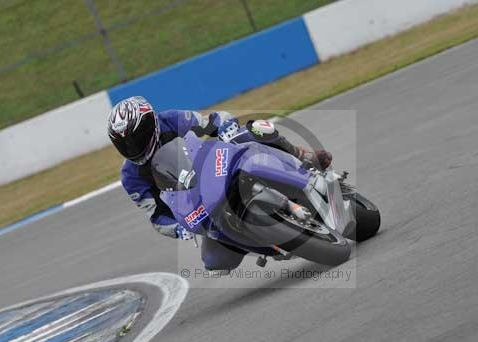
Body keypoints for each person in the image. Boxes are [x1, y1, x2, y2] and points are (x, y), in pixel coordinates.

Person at [107, 96, 331, 271]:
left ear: (151, 122)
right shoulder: (130, 176)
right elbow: (156, 215)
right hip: (197, 202)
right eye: (125, 143)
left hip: (214, 165)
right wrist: (177, 229)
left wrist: (225, 126)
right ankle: (264, 243)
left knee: (253, 130)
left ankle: (301, 156)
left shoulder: (170, 119)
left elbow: (211, 121)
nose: (133, 146)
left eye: (137, 136)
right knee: (214, 260)